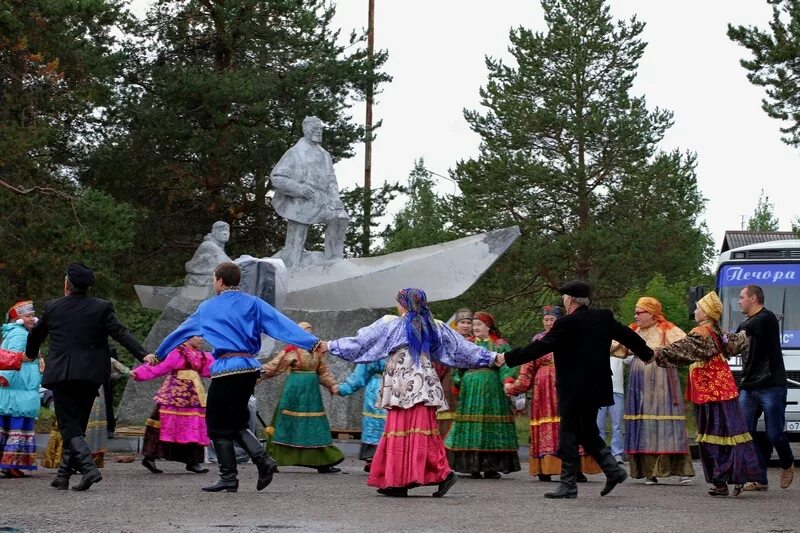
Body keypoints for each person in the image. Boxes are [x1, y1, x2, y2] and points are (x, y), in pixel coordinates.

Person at [321, 288, 504, 497]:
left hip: (402, 380)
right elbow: (461, 348)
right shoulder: (433, 326)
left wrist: (330, 345)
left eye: (399, 302)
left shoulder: (392, 323)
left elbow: (361, 342)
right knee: (417, 429)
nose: (397, 305)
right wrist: (491, 357)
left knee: (402, 428)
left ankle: (439, 475)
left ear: (404, 304)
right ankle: (399, 482)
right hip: (422, 380)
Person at [155, 261, 320, 493]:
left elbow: (181, 332)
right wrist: (311, 342)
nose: (214, 283)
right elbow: (281, 324)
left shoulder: (208, 307)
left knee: (215, 425)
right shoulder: (254, 303)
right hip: (249, 368)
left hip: (227, 369)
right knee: (235, 423)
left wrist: (159, 354)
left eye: (214, 279)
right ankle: (254, 466)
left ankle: (236, 474)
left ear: (220, 281)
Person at [503, 280, 655, 499]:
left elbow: (540, 347)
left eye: (565, 298)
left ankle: (569, 484)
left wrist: (508, 358)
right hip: (596, 386)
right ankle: (613, 470)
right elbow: (627, 335)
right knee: (587, 431)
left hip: (573, 389)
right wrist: (647, 354)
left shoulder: (565, 323)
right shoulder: (603, 317)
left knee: (569, 432)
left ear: (570, 300)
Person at [25, 263, 152, 491]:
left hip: (63, 374)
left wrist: (31, 354)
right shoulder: (102, 307)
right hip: (91, 374)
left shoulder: (53, 307)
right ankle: (62, 476)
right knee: (77, 426)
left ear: (67, 284)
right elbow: (120, 332)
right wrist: (143, 354)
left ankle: (88, 469)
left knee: (68, 426)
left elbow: (36, 335)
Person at [654, 291, 762, 496]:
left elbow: (683, 349)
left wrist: (656, 353)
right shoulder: (717, 332)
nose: (694, 311)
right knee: (728, 434)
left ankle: (723, 480)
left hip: (711, 392)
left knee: (713, 436)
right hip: (721, 391)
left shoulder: (702, 333)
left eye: (698, 308)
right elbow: (737, 341)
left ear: (706, 313)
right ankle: (732, 478)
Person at [504, 305, 601, 481]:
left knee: (570, 425)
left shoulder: (573, 337)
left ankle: (574, 468)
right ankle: (545, 467)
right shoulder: (538, 341)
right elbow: (527, 370)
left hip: (568, 385)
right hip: (543, 392)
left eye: (553, 319)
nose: (549, 323)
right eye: (546, 319)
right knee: (550, 426)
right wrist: (514, 387)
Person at [618, 297, 695, 485]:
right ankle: (648, 471)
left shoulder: (667, 329)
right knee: (644, 421)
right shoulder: (633, 330)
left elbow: (686, 346)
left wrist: (663, 353)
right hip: (639, 380)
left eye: (639, 312)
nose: (635, 315)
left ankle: (679, 469)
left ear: (652, 313)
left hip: (661, 377)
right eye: (635, 312)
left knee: (664, 419)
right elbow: (614, 346)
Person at [260, 321, 344, 474]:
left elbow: (323, 372)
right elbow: (274, 366)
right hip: (294, 391)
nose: (308, 335)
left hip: (312, 394)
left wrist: (332, 386)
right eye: (305, 332)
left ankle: (323, 461)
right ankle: (274, 459)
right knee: (286, 424)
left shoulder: (317, 352)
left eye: (310, 332)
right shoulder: (291, 350)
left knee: (315, 425)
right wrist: (253, 376)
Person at [445, 311, 520, 479]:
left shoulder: (500, 345)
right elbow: (457, 367)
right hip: (470, 391)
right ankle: (472, 465)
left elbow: (506, 365)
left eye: (479, 325)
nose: (475, 327)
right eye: (474, 324)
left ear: (489, 326)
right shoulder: (467, 344)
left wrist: (507, 381)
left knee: (490, 426)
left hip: (493, 391)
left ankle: (491, 466)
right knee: (472, 426)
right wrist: (460, 380)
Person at [736, 284, 795, 491]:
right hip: (749, 386)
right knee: (745, 432)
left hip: (771, 385)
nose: (739, 301)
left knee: (774, 433)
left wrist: (733, 333)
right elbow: (734, 342)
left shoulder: (766, 318)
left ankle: (787, 463)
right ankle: (760, 478)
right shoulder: (746, 323)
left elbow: (747, 328)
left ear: (753, 298)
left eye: (742, 297)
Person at [270, 116, 349, 267]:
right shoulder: (294, 152)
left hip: (322, 200)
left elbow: (332, 180)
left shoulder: (325, 155)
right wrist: (298, 188)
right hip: (300, 201)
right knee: (297, 235)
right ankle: (292, 266)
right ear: (306, 129)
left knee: (340, 217)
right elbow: (277, 177)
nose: (319, 132)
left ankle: (333, 259)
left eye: (320, 129)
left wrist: (336, 199)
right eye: (315, 128)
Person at [130, 336, 213, 475]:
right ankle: (150, 456)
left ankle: (193, 461)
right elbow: (159, 367)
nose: (202, 339)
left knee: (192, 427)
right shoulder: (176, 352)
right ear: (188, 337)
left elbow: (213, 368)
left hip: (193, 397)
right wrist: (137, 373)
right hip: (172, 397)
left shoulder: (202, 356)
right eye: (198, 336)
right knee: (161, 425)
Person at [0, 301, 43, 477]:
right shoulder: (20, 335)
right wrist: (5, 378)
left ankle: (9, 463)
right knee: (17, 426)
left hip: (17, 389)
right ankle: (11, 464)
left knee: (8, 426)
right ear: (17, 319)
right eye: (27, 316)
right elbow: (11, 359)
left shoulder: (19, 333)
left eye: (33, 315)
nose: (32, 319)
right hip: (18, 388)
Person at [337, 357, 388, 472]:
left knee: (375, 423)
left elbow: (360, 374)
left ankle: (374, 457)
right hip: (393, 388)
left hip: (377, 389)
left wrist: (342, 389)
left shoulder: (374, 350)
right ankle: (380, 458)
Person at [434, 308, 473, 438]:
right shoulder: (448, 340)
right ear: (456, 324)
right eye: (463, 322)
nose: (466, 326)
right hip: (449, 382)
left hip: (470, 381)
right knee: (448, 414)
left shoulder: (476, 342)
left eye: (469, 322)